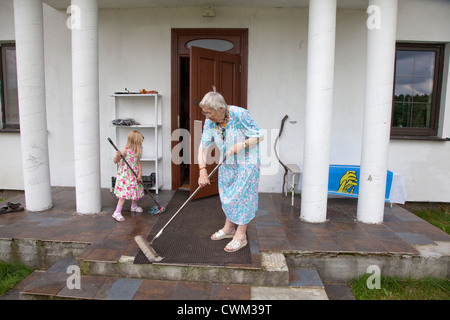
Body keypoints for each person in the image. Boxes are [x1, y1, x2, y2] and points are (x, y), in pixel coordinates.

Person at [198, 89, 264, 253]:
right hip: (228, 161)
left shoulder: (239, 114)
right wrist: (202, 170)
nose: (207, 116)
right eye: (205, 113)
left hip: (247, 161)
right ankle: (229, 228)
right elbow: (202, 147)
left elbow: (259, 136)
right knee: (228, 194)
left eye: (209, 113)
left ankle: (241, 235)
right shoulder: (209, 121)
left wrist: (241, 145)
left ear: (221, 109)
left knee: (242, 195)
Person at [112, 130, 145, 222]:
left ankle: (134, 206)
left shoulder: (136, 152)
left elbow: (138, 164)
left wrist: (140, 174)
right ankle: (117, 212)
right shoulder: (125, 151)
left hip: (133, 175)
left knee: (135, 190)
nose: (141, 144)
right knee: (123, 194)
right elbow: (115, 161)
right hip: (125, 177)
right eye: (140, 142)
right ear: (135, 141)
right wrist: (117, 156)